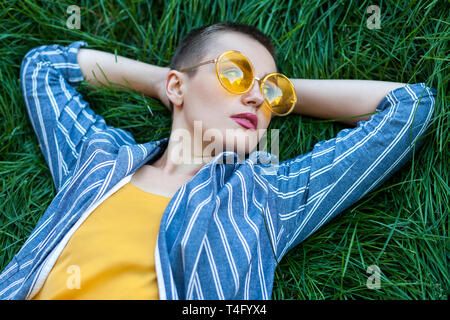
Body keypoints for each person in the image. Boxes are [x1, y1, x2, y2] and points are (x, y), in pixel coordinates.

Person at [0, 22, 436, 300]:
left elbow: (408, 108)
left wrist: (277, 90)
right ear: (178, 86)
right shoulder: (97, 160)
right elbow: (44, 67)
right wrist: (164, 81)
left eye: (269, 92)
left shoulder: (265, 198)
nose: (254, 96)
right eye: (234, 73)